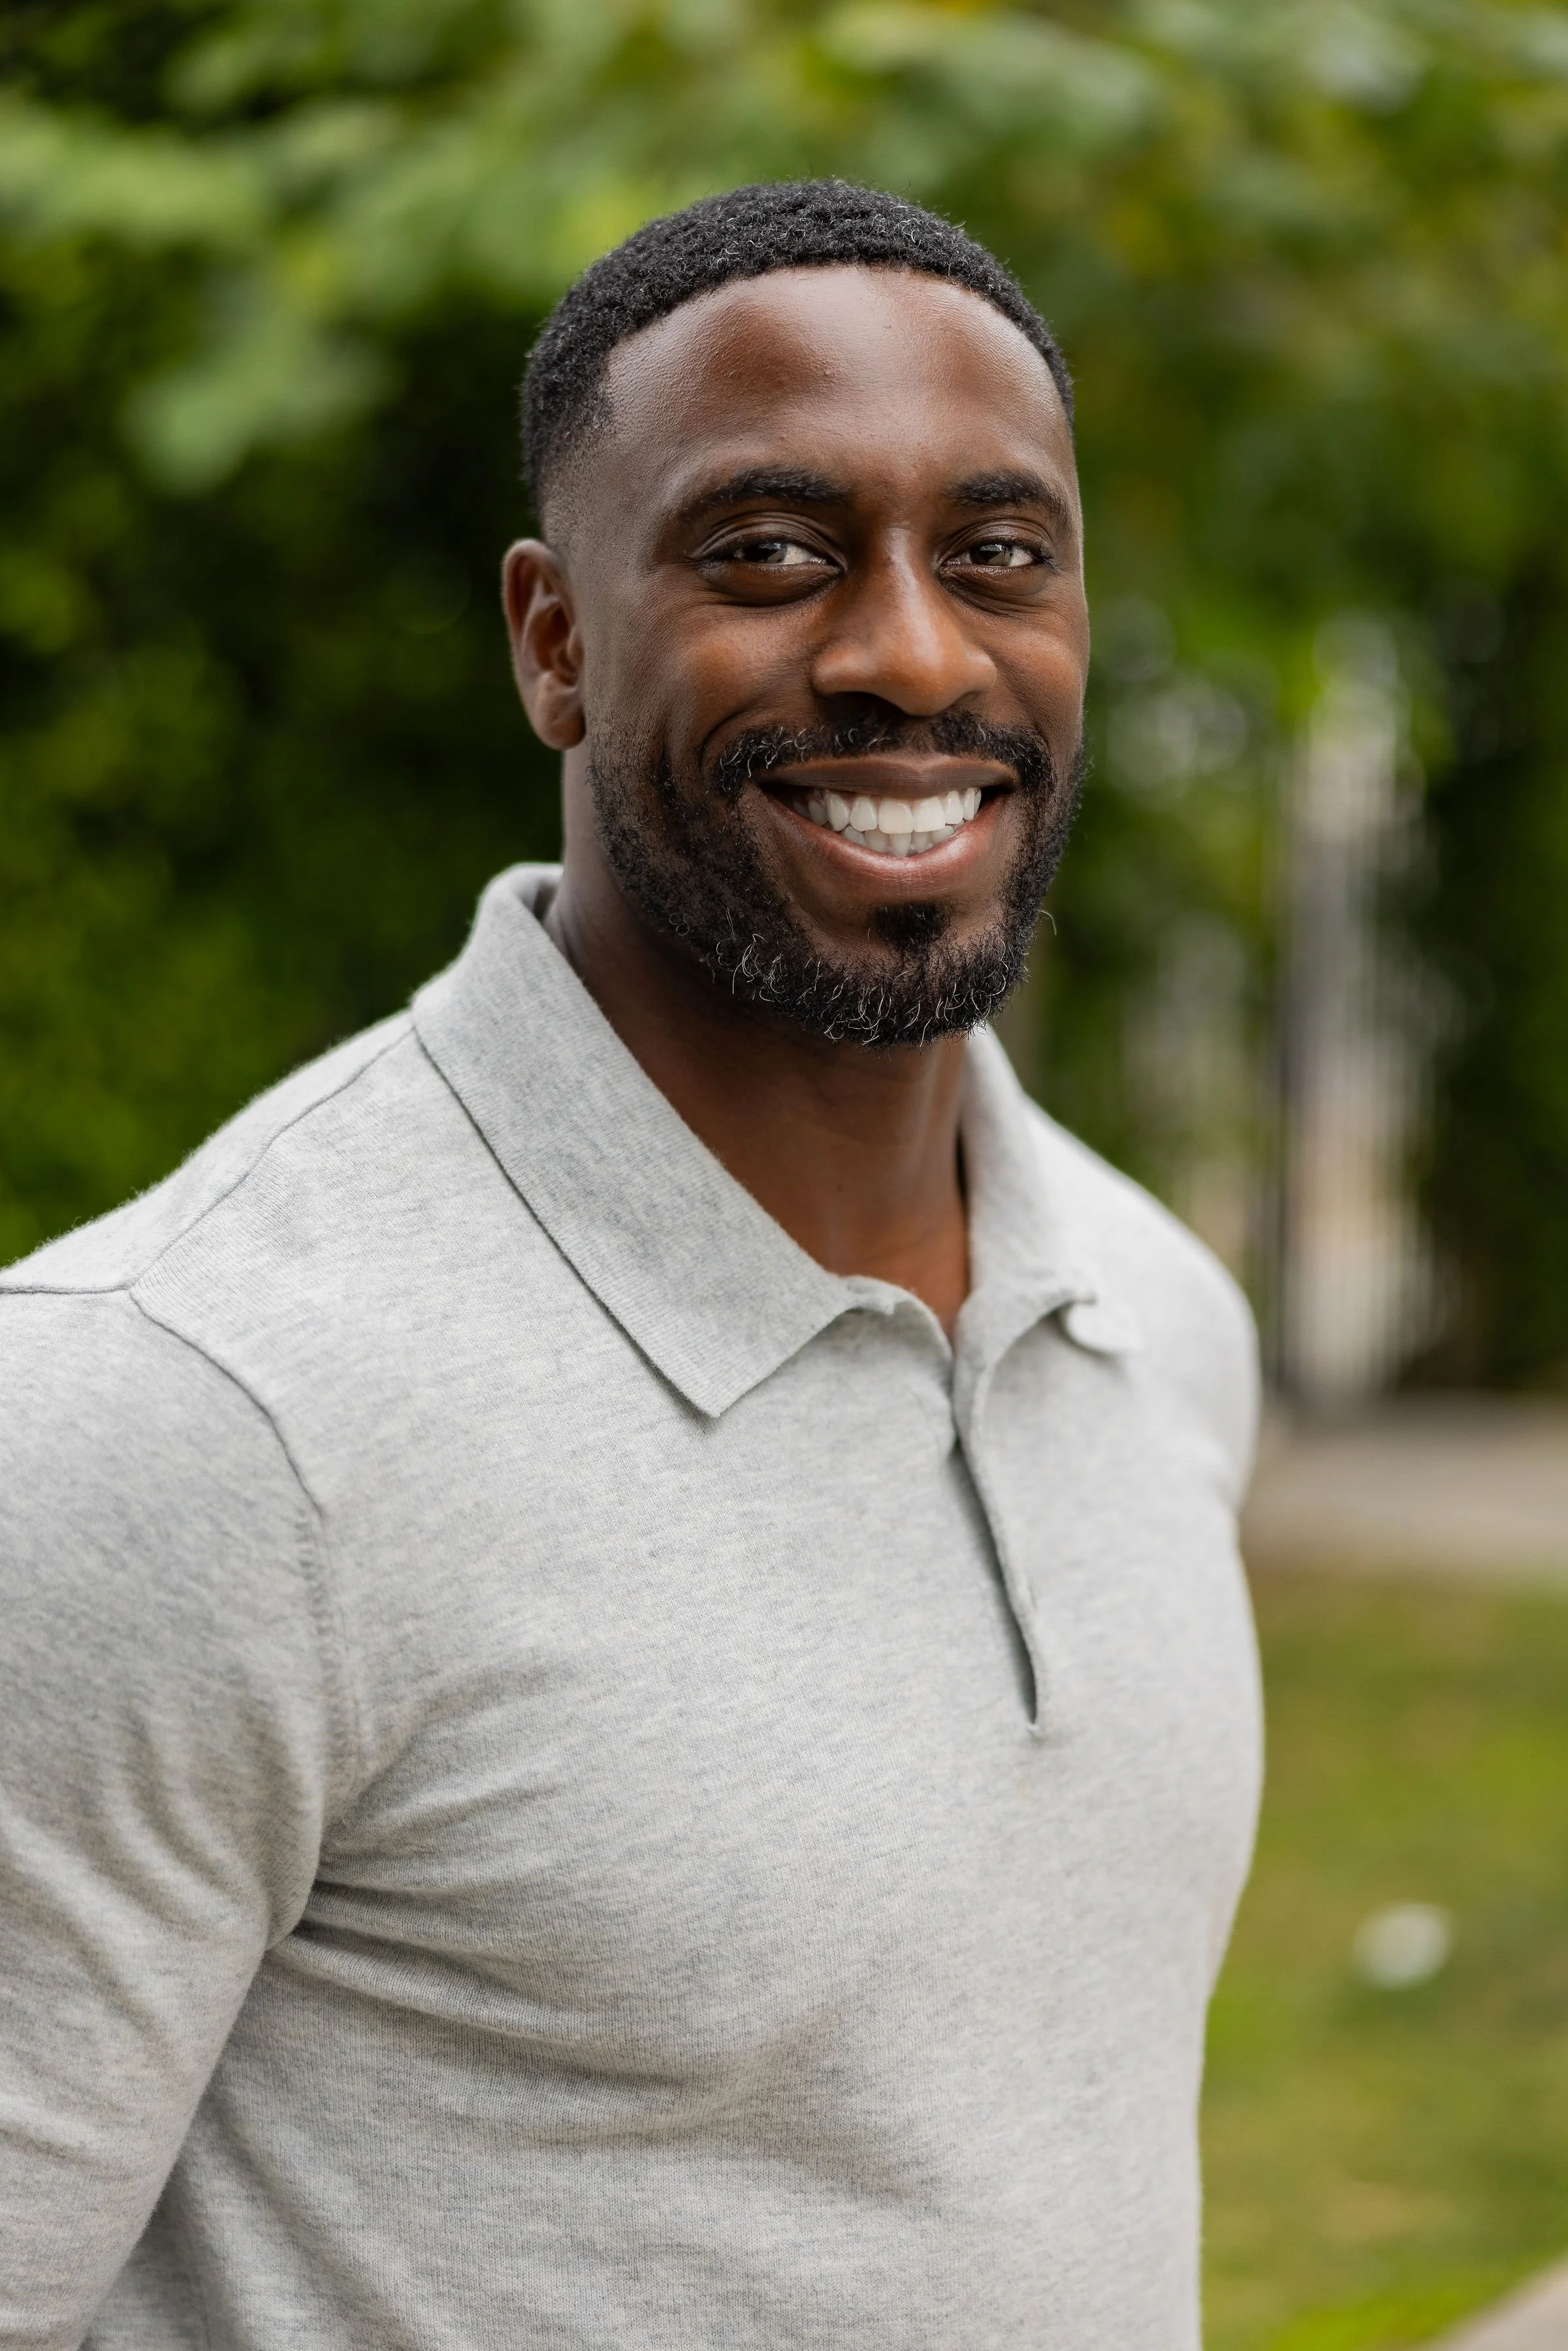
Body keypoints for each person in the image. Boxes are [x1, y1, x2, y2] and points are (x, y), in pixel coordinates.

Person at [0, 180, 1262, 2350]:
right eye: (771, 553)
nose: (913, 652)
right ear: (554, 639)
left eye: (1000, 556)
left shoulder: (1157, 1319)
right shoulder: (174, 1416)